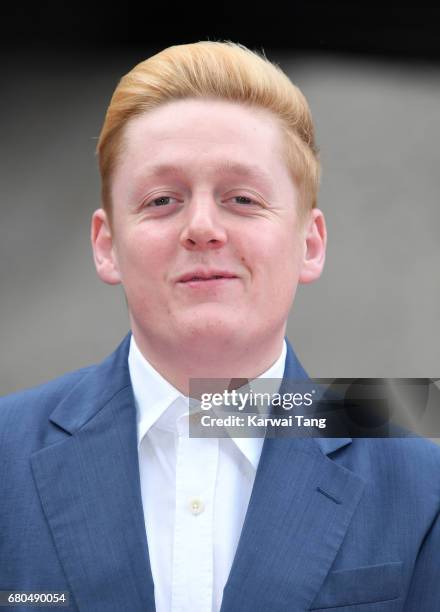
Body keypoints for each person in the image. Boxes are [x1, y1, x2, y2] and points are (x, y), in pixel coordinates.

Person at [0, 41, 439, 612]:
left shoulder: (421, 484)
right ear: (107, 246)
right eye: (162, 199)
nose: (202, 228)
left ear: (310, 243)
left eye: (242, 198)